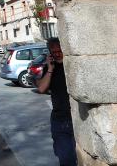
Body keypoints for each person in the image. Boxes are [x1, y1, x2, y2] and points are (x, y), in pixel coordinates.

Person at [36, 37, 76, 166]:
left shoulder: (73, 65)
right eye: (54, 52)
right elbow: (41, 88)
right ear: (50, 53)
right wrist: (50, 68)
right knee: (65, 159)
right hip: (60, 120)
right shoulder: (49, 69)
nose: (58, 53)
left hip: (77, 118)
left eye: (60, 50)